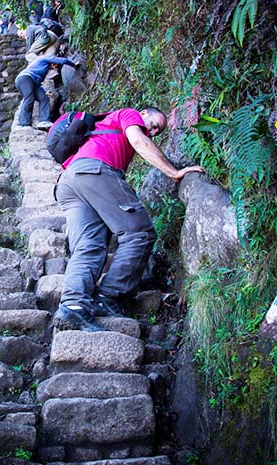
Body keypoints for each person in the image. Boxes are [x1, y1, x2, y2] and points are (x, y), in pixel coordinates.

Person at [52, 107, 205, 332]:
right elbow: (138, 140)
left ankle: (73, 305)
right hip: (95, 171)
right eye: (154, 124)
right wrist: (174, 172)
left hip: (68, 181)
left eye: (158, 131)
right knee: (139, 233)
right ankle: (109, 296)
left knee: (88, 245)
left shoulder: (100, 128)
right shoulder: (128, 114)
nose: (152, 132)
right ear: (143, 113)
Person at [14, 55, 79, 129]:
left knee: (44, 98)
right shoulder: (45, 58)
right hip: (25, 78)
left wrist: (44, 93)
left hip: (33, 83)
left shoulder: (45, 67)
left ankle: (43, 121)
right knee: (29, 98)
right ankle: (23, 123)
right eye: (55, 64)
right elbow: (62, 60)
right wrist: (73, 65)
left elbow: (37, 82)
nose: (55, 66)